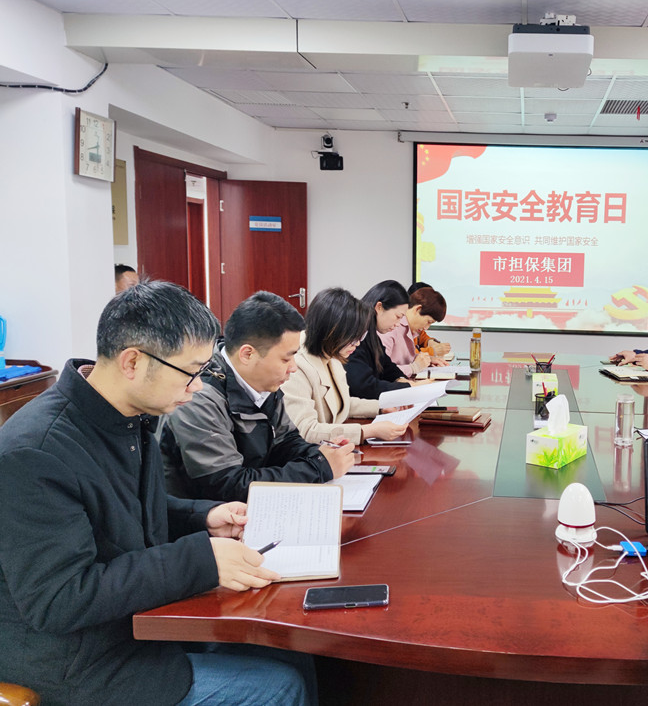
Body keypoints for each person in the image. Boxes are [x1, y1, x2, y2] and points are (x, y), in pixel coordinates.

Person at [0, 281, 315, 706]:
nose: (198, 387)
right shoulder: (36, 453)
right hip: (78, 662)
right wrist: (201, 559)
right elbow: (60, 599)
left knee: (290, 648)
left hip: (136, 625)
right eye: (191, 372)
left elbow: (118, 510)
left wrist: (203, 518)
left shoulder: (126, 416)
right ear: (132, 361)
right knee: (280, 684)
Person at [160, 291, 357, 502]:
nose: (293, 368)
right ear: (248, 354)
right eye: (286, 359)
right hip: (214, 514)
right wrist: (318, 468)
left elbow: (286, 442)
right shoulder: (199, 397)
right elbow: (227, 485)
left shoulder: (263, 382)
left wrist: (320, 454)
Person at [283, 287, 408, 444]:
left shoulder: (332, 353)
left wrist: (380, 407)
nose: (358, 344)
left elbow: (340, 403)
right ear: (332, 330)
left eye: (361, 336)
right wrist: (366, 431)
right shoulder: (295, 365)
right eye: (353, 337)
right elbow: (306, 430)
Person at [345, 279, 427, 399]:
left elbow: (386, 366)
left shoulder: (370, 332)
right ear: (379, 307)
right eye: (398, 316)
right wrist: (407, 387)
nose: (398, 324)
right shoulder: (354, 335)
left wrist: (401, 379)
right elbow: (363, 386)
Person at [379, 286, 449, 377]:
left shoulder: (411, 329)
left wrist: (426, 360)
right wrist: (414, 367)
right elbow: (381, 370)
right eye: (428, 321)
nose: (426, 328)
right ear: (418, 309)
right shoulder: (392, 326)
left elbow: (402, 359)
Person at [407, 282, 452, 358]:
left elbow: (423, 337)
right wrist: (432, 351)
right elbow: (407, 354)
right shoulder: (397, 326)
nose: (426, 328)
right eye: (428, 322)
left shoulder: (413, 327)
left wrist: (430, 342)